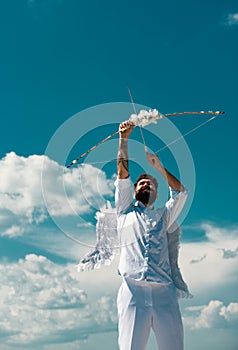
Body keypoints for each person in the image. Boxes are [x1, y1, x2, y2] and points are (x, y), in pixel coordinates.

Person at [115, 120, 188, 350]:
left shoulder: (163, 215)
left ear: (156, 193)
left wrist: (159, 168)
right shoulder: (124, 210)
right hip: (132, 291)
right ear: (134, 190)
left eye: (151, 184)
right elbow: (122, 173)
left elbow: (180, 191)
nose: (146, 184)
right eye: (142, 183)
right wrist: (123, 138)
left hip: (165, 293)